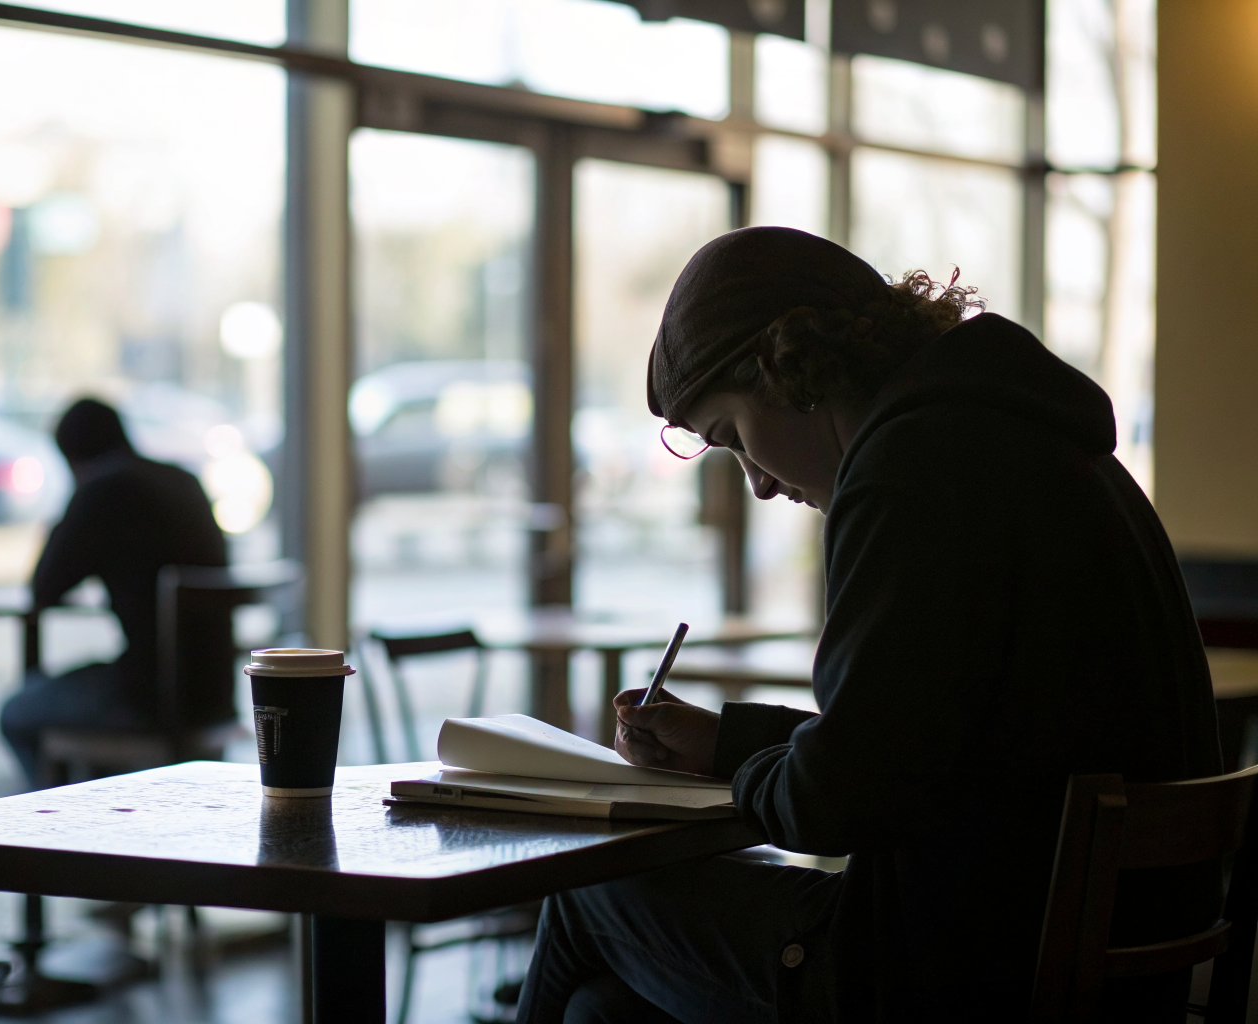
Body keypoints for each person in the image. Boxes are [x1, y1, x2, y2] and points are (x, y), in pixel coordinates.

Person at [516, 227, 1221, 1024]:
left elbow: (835, 805)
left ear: (791, 372)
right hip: (1097, 970)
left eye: (733, 437)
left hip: (951, 979)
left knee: (584, 893)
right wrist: (726, 746)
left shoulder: (907, 473)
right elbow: (915, 745)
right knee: (604, 1010)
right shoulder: (1052, 447)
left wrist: (754, 774)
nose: (755, 483)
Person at [0, 398, 232, 786]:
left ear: (72, 458)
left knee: (16, 713)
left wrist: (71, 506)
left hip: (151, 701)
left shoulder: (103, 490)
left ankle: (48, 836)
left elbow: (44, 586)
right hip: (215, 697)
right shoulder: (182, 479)